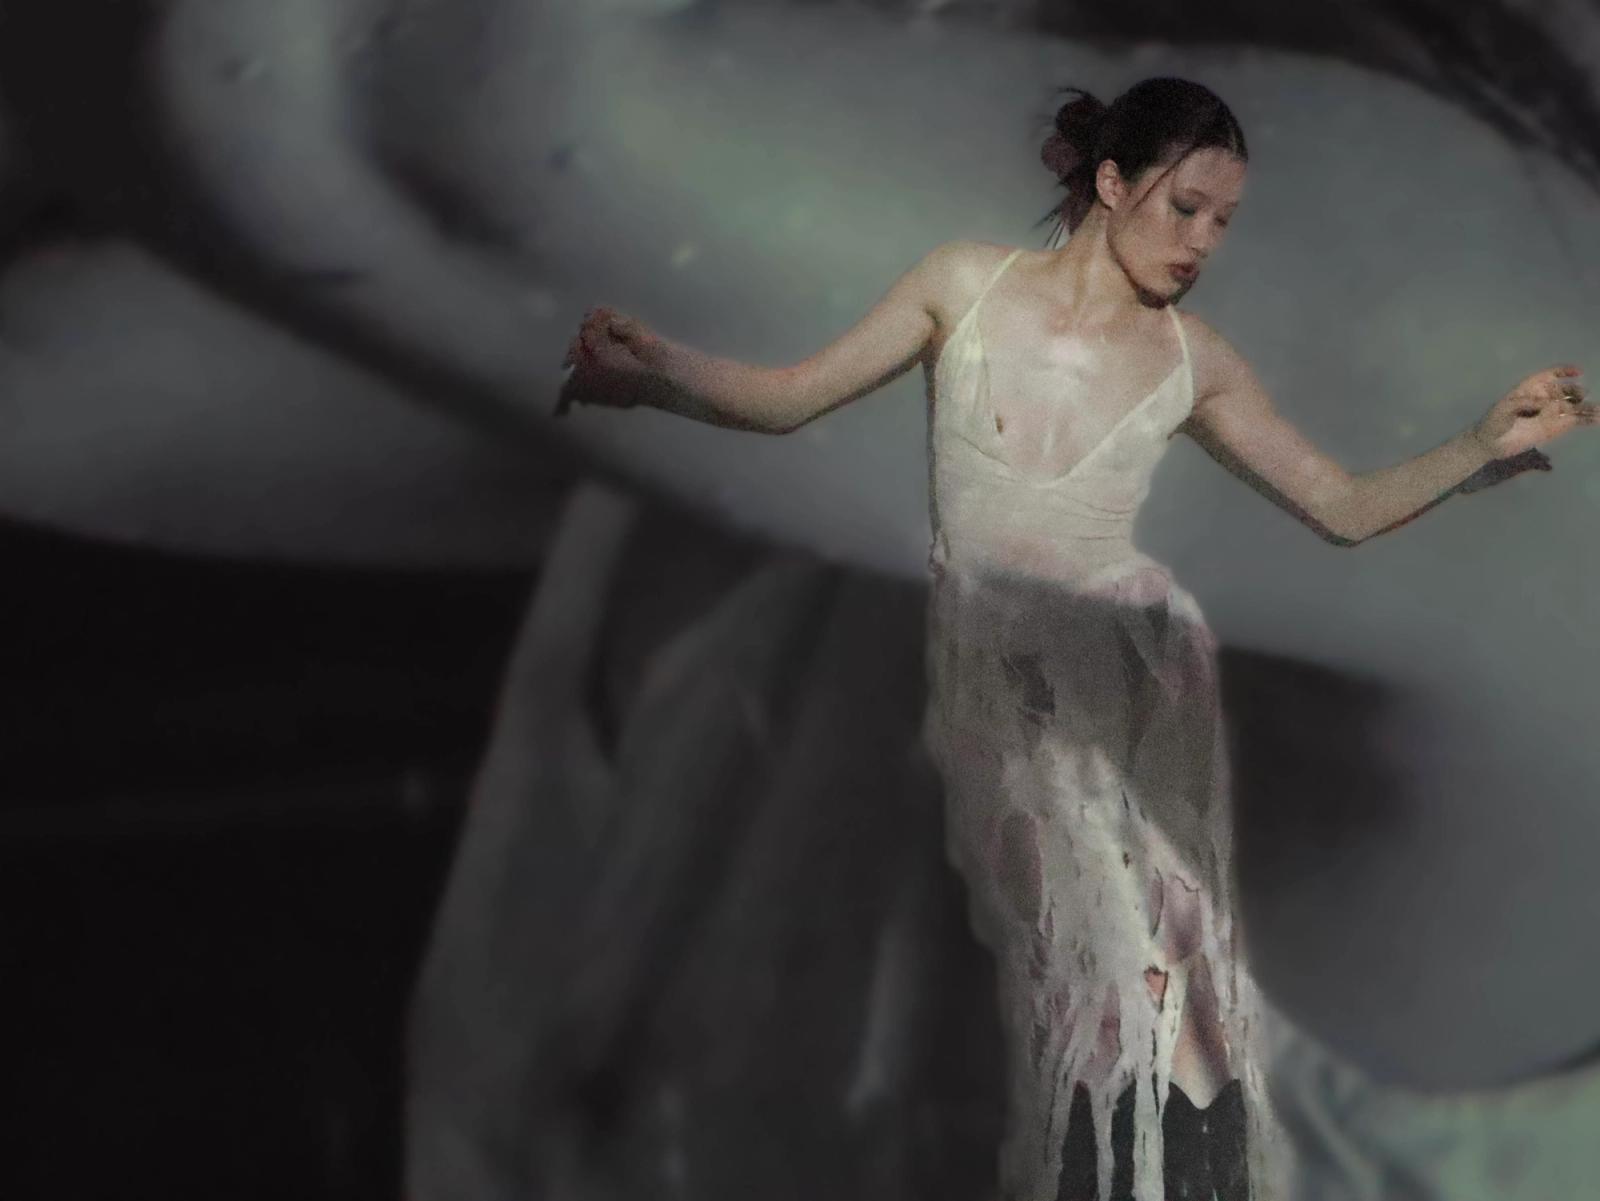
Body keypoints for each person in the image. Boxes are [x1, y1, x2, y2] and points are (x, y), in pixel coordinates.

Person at [558, 76, 1594, 1201]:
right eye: (1184, 208)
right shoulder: (962, 283)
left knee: (1134, 986)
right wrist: (656, 375)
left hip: (1116, 663)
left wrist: (1476, 448)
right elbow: (788, 398)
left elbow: (1340, 506)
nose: (1202, 243)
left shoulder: (1195, 359)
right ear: (1111, 182)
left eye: (1223, 222)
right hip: (988, 662)